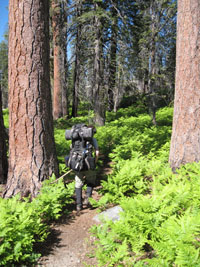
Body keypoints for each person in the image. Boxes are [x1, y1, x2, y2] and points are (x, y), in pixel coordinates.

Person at [75, 133, 99, 213]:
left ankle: (79, 205)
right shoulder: (92, 139)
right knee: (91, 181)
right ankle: (87, 198)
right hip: (89, 163)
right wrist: (94, 163)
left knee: (78, 184)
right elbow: (97, 152)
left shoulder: (75, 140)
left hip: (77, 165)